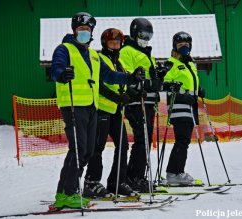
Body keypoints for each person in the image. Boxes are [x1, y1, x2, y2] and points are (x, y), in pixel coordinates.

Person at [51, 12, 144, 209]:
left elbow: (110, 76)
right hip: (73, 106)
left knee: (88, 151)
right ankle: (67, 193)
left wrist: (130, 78)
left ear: (91, 31)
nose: (84, 33)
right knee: (79, 150)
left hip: (91, 107)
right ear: (74, 31)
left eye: (87, 30)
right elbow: (56, 69)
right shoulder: (64, 49)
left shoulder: (93, 55)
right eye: (80, 30)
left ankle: (65, 191)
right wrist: (62, 74)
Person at [83, 28, 135, 197]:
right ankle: (91, 182)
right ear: (105, 43)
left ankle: (117, 181)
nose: (114, 46)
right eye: (111, 43)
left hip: (116, 110)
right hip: (101, 110)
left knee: (123, 146)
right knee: (97, 147)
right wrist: (115, 97)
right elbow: (99, 84)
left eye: (117, 43)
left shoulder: (118, 62)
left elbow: (121, 84)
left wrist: (133, 94)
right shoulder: (99, 58)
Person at [119, 18, 162, 192]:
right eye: (144, 35)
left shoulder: (146, 53)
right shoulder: (127, 51)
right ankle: (134, 176)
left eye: (149, 35)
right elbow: (129, 78)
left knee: (145, 140)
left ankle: (136, 175)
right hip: (137, 102)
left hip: (149, 102)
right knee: (142, 139)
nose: (147, 39)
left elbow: (152, 80)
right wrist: (148, 84)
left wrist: (159, 76)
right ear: (135, 32)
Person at [162, 31, 205, 185]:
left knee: (184, 140)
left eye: (187, 45)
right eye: (181, 45)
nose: (184, 48)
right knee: (182, 140)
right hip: (179, 105)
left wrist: (198, 89)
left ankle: (176, 171)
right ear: (175, 46)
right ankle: (174, 173)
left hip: (190, 106)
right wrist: (181, 96)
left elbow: (191, 81)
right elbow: (165, 84)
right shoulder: (172, 62)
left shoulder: (190, 64)